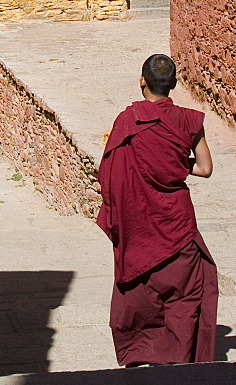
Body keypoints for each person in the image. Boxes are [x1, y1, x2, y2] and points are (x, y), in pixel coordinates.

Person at [96, 54, 217, 367]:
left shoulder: (127, 121)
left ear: (141, 82)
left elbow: (108, 175)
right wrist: (177, 164)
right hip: (177, 222)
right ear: (174, 84)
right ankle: (180, 358)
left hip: (138, 224)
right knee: (185, 292)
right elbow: (205, 168)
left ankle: (142, 352)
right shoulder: (190, 121)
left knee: (140, 291)